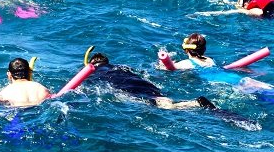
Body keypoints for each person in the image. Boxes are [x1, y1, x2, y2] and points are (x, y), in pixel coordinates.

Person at [83, 52, 211, 109]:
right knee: (158, 98)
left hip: (125, 87)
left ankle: (193, 104)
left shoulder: (93, 73)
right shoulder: (120, 67)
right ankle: (193, 103)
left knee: (157, 105)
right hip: (141, 82)